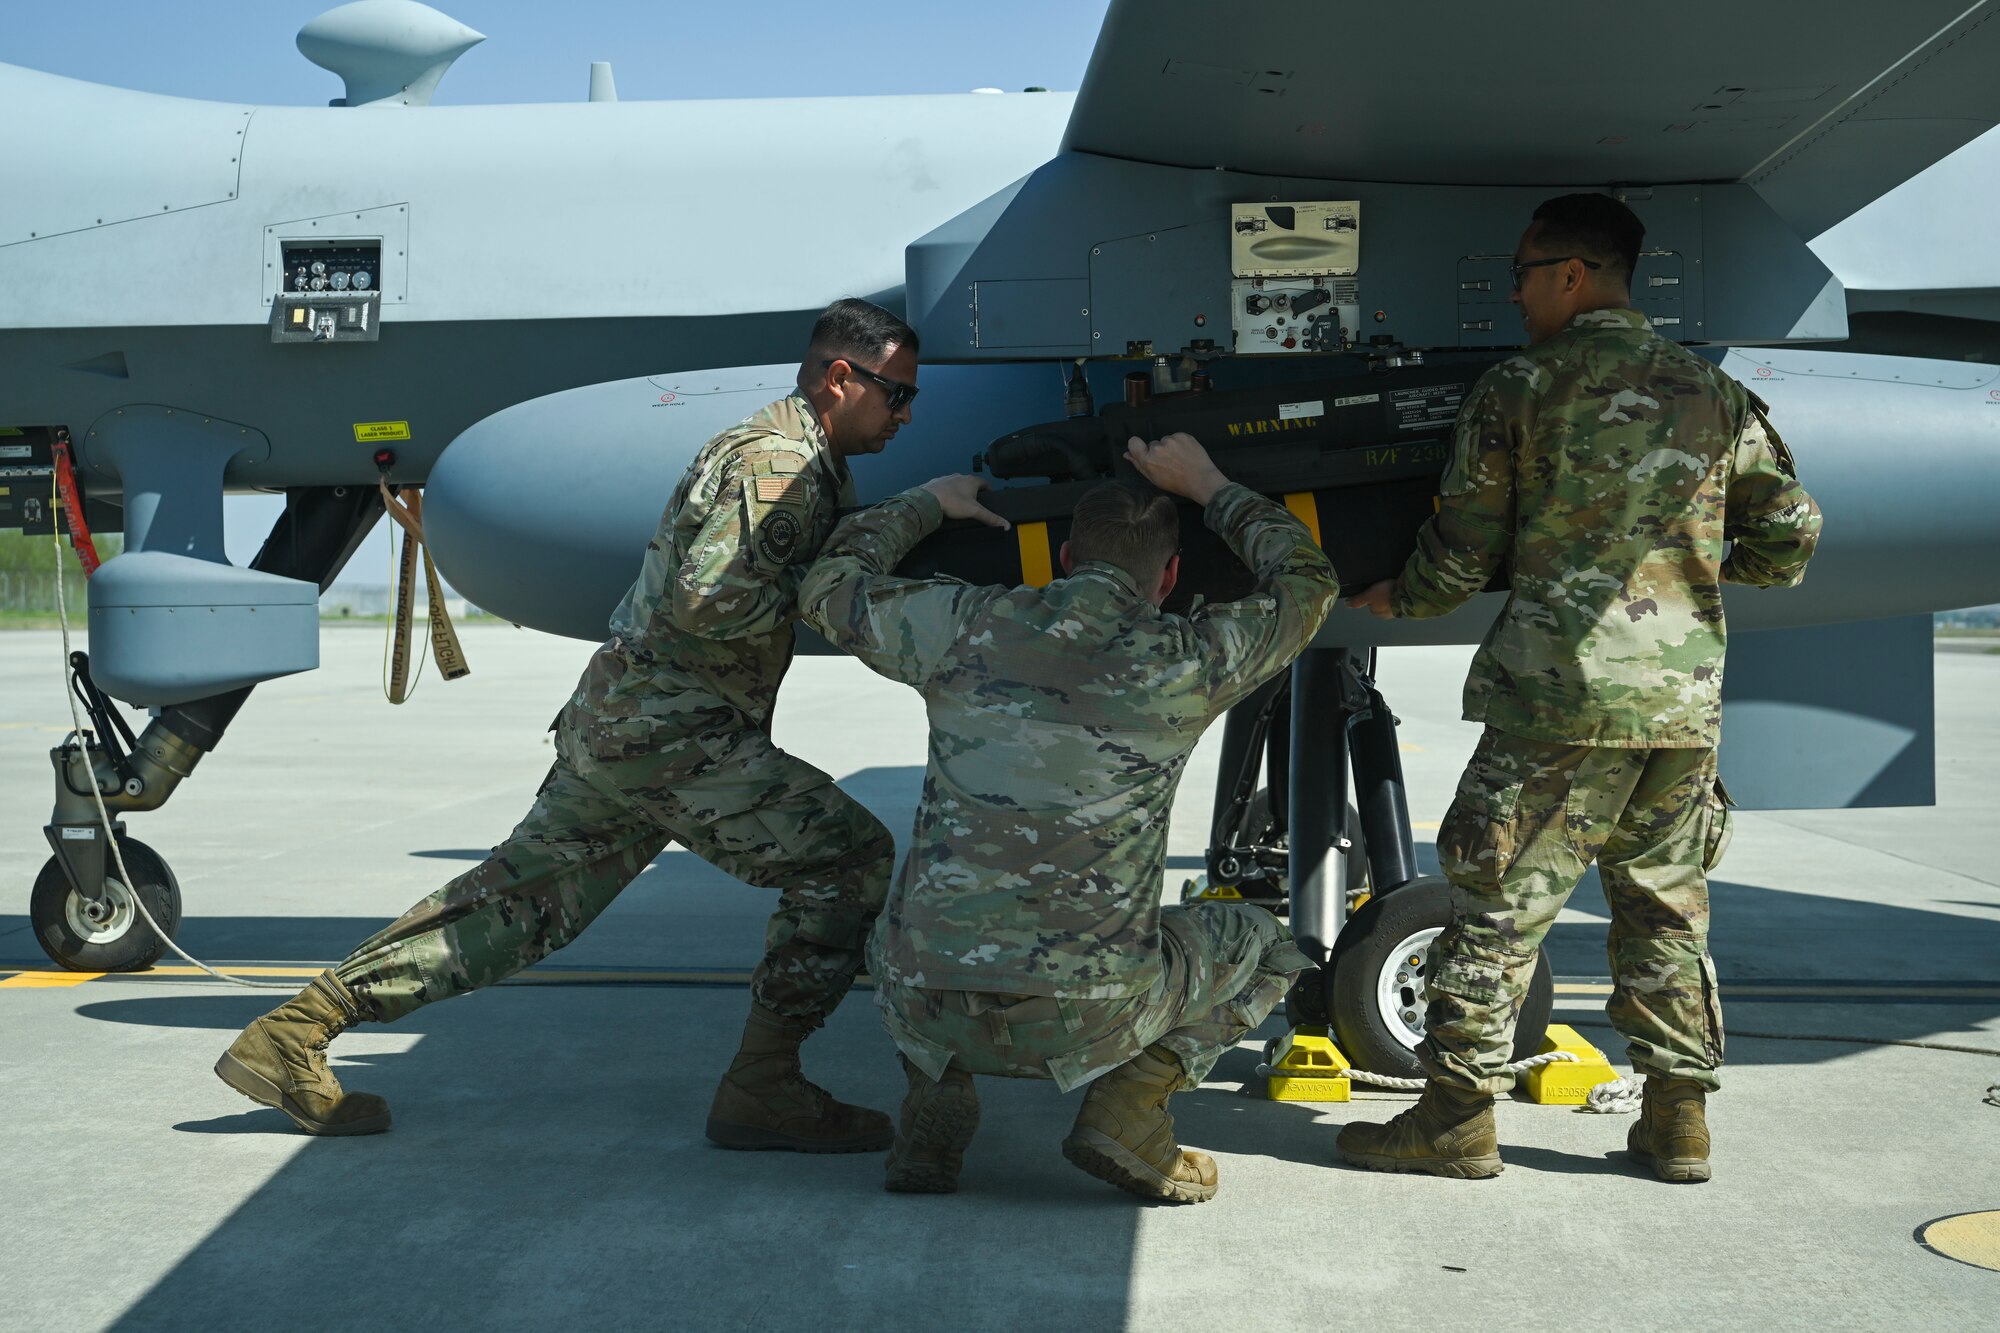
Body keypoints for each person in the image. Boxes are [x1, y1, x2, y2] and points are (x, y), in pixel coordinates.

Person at [216, 298, 928, 1153]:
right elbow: (710, 600)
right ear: (840, 378)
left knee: (518, 905)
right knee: (850, 860)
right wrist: (879, 543)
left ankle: (295, 1031)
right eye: (897, 393)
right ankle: (765, 1084)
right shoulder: (780, 466)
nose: (905, 414)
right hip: (674, 736)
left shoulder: (777, 450)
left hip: (627, 725)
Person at [1338, 193, 1822, 1182]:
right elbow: (1788, 538)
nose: (1512, 296)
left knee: (1497, 906)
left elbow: (1462, 547)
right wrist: (1689, 573)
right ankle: (1677, 1122)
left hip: (1556, 700)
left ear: (1571, 273)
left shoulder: (1518, 389)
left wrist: (1400, 598)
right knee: (1664, 911)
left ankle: (1454, 1120)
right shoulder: (1712, 392)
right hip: (1679, 709)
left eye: (1520, 274)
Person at [798, 433, 1338, 1203]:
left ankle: (932, 1101)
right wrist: (1211, 485)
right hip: (1094, 1015)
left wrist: (926, 503)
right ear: (1170, 576)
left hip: (927, 999)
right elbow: (1309, 581)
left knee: (911, 913)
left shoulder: (964, 623)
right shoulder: (1190, 659)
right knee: (1266, 945)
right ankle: (1129, 1109)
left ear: (1062, 558)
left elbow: (827, 585)